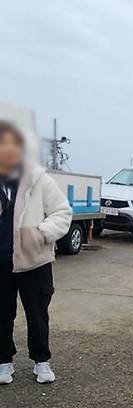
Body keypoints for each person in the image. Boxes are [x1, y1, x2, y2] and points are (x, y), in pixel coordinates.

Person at [0, 120, 72, 385]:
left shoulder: (39, 180)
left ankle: (42, 362)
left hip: (34, 260)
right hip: (2, 260)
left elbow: (63, 212)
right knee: (2, 313)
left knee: (38, 313)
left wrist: (42, 232)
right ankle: (3, 362)